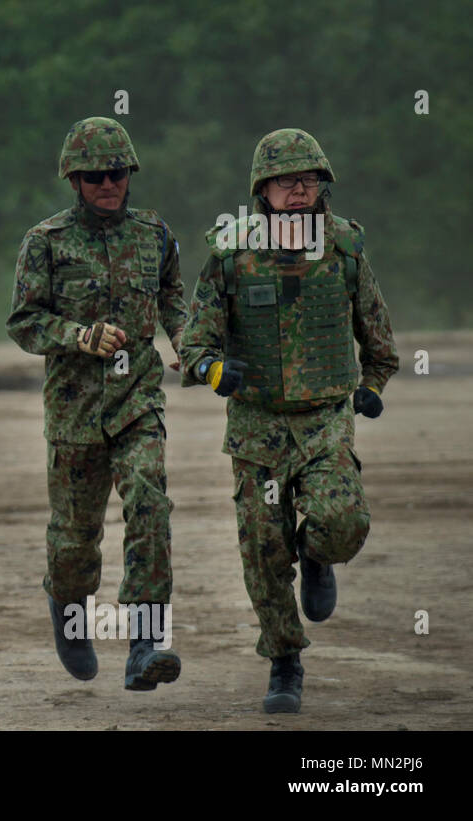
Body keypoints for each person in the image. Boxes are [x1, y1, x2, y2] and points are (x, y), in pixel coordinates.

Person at [179, 128, 399, 713]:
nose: (299, 191)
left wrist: (372, 388)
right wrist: (212, 369)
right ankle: (283, 662)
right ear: (263, 191)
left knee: (344, 520)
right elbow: (193, 340)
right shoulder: (232, 253)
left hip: (326, 421)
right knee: (263, 551)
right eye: (286, 181)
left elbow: (379, 342)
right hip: (257, 430)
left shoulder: (346, 248)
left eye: (308, 180)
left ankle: (321, 557)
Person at [6, 117, 188, 690]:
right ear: (74, 180)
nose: (107, 184)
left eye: (116, 173)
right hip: (75, 412)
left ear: (129, 175)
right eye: (93, 176)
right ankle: (68, 608)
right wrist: (78, 336)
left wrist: (188, 341)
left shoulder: (154, 235)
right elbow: (24, 322)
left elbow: (172, 299)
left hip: (138, 402)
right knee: (74, 539)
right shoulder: (47, 242)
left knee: (150, 506)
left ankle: (145, 642)